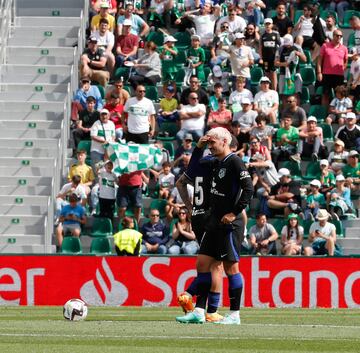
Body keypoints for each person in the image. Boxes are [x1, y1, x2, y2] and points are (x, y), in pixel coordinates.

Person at [176, 127, 253, 325]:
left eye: (213, 142)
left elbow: (249, 188)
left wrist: (234, 213)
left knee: (230, 268)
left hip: (228, 223)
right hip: (212, 220)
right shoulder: (214, 162)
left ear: (225, 142)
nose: (210, 145)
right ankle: (199, 311)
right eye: (209, 143)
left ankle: (234, 314)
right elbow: (192, 171)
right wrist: (198, 147)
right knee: (203, 263)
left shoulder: (234, 161)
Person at [317, 29, 348, 106]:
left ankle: (338, 115)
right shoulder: (325, 46)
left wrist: (343, 68)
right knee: (325, 95)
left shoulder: (344, 48)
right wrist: (319, 72)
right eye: (337, 35)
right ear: (333, 36)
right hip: (327, 74)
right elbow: (319, 60)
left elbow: (346, 61)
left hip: (339, 75)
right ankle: (324, 114)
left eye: (341, 36)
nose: (339, 37)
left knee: (340, 95)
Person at [90, 108, 116, 174]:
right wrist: (104, 141)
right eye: (102, 115)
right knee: (98, 168)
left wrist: (111, 141)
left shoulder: (111, 124)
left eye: (106, 115)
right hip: (97, 151)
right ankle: (97, 182)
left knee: (108, 168)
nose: (104, 116)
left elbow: (113, 135)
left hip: (108, 151)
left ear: (109, 116)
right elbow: (93, 136)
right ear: (100, 116)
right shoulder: (96, 123)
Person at [259, 18, 281, 91]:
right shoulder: (262, 35)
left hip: (273, 58)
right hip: (265, 58)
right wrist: (261, 58)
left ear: (272, 25)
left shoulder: (276, 34)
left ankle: (274, 90)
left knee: (273, 74)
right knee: (267, 73)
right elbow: (260, 47)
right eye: (266, 24)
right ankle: (268, 90)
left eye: (269, 24)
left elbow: (280, 46)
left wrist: (277, 57)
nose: (267, 25)